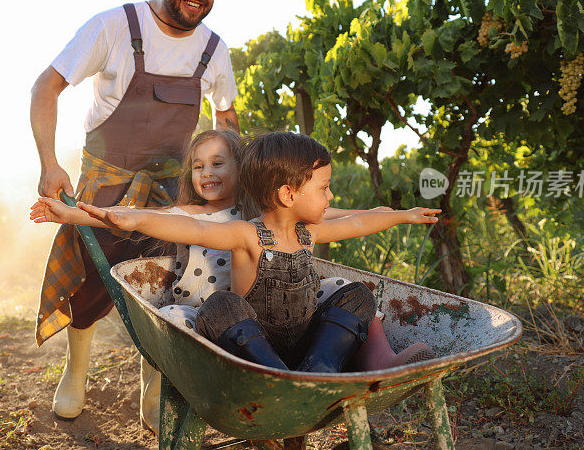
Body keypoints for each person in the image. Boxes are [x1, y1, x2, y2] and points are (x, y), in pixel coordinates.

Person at [29, 0, 239, 420]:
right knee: (91, 284)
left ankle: (153, 385)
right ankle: (75, 372)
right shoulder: (115, 27)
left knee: (170, 286)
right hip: (106, 185)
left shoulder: (214, 50)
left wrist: (223, 186)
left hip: (172, 194)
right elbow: (45, 87)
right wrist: (49, 162)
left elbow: (225, 121)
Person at [67, 132, 441, 373]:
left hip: (304, 339)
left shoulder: (308, 233)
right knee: (220, 307)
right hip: (255, 352)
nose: (330, 197)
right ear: (288, 195)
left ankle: (321, 368)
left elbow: (357, 224)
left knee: (358, 295)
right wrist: (132, 220)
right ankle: (276, 374)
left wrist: (402, 217)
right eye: (324, 188)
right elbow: (193, 227)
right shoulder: (247, 234)